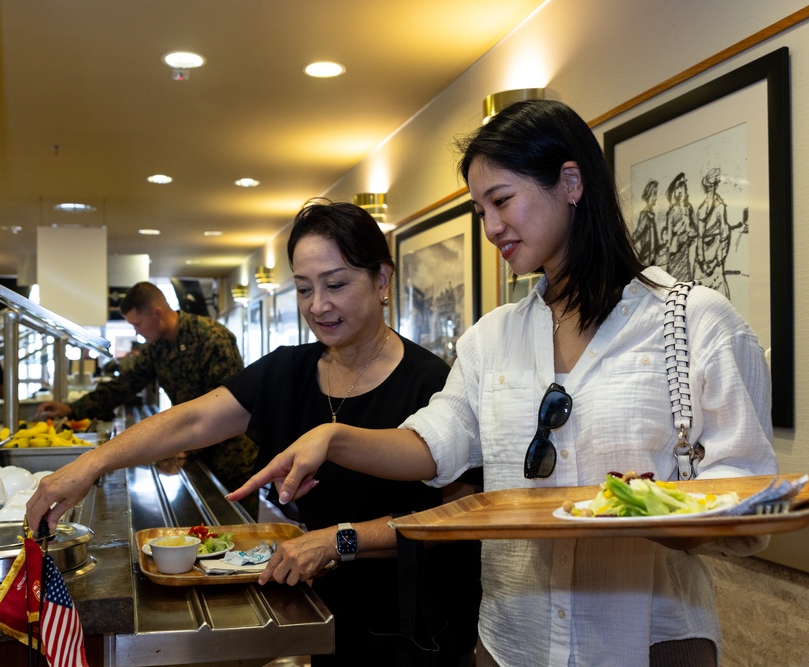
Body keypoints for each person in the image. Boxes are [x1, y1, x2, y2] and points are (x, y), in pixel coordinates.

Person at [227, 100, 777, 667]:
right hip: (513, 641)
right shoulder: (493, 338)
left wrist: (644, 508)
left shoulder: (695, 323)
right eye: (479, 210)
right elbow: (433, 443)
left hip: (650, 640)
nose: (491, 228)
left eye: (502, 200)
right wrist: (333, 437)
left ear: (569, 182)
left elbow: (744, 484)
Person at [27, 202, 481, 667]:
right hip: (328, 606)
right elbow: (192, 420)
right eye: (304, 289)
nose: (318, 305)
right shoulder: (288, 370)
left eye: (336, 284)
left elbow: (458, 516)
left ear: (382, 281)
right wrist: (91, 462)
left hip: (418, 618)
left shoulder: (433, 382)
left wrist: (340, 540)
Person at [35, 282, 258, 515]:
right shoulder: (157, 348)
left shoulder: (212, 338)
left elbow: (231, 408)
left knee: (241, 537)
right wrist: (72, 410)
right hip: (191, 452)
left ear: (158, 313)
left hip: (230, 462)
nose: (136, 332)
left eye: (137, 324)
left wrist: (184, 448)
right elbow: (124, 385)